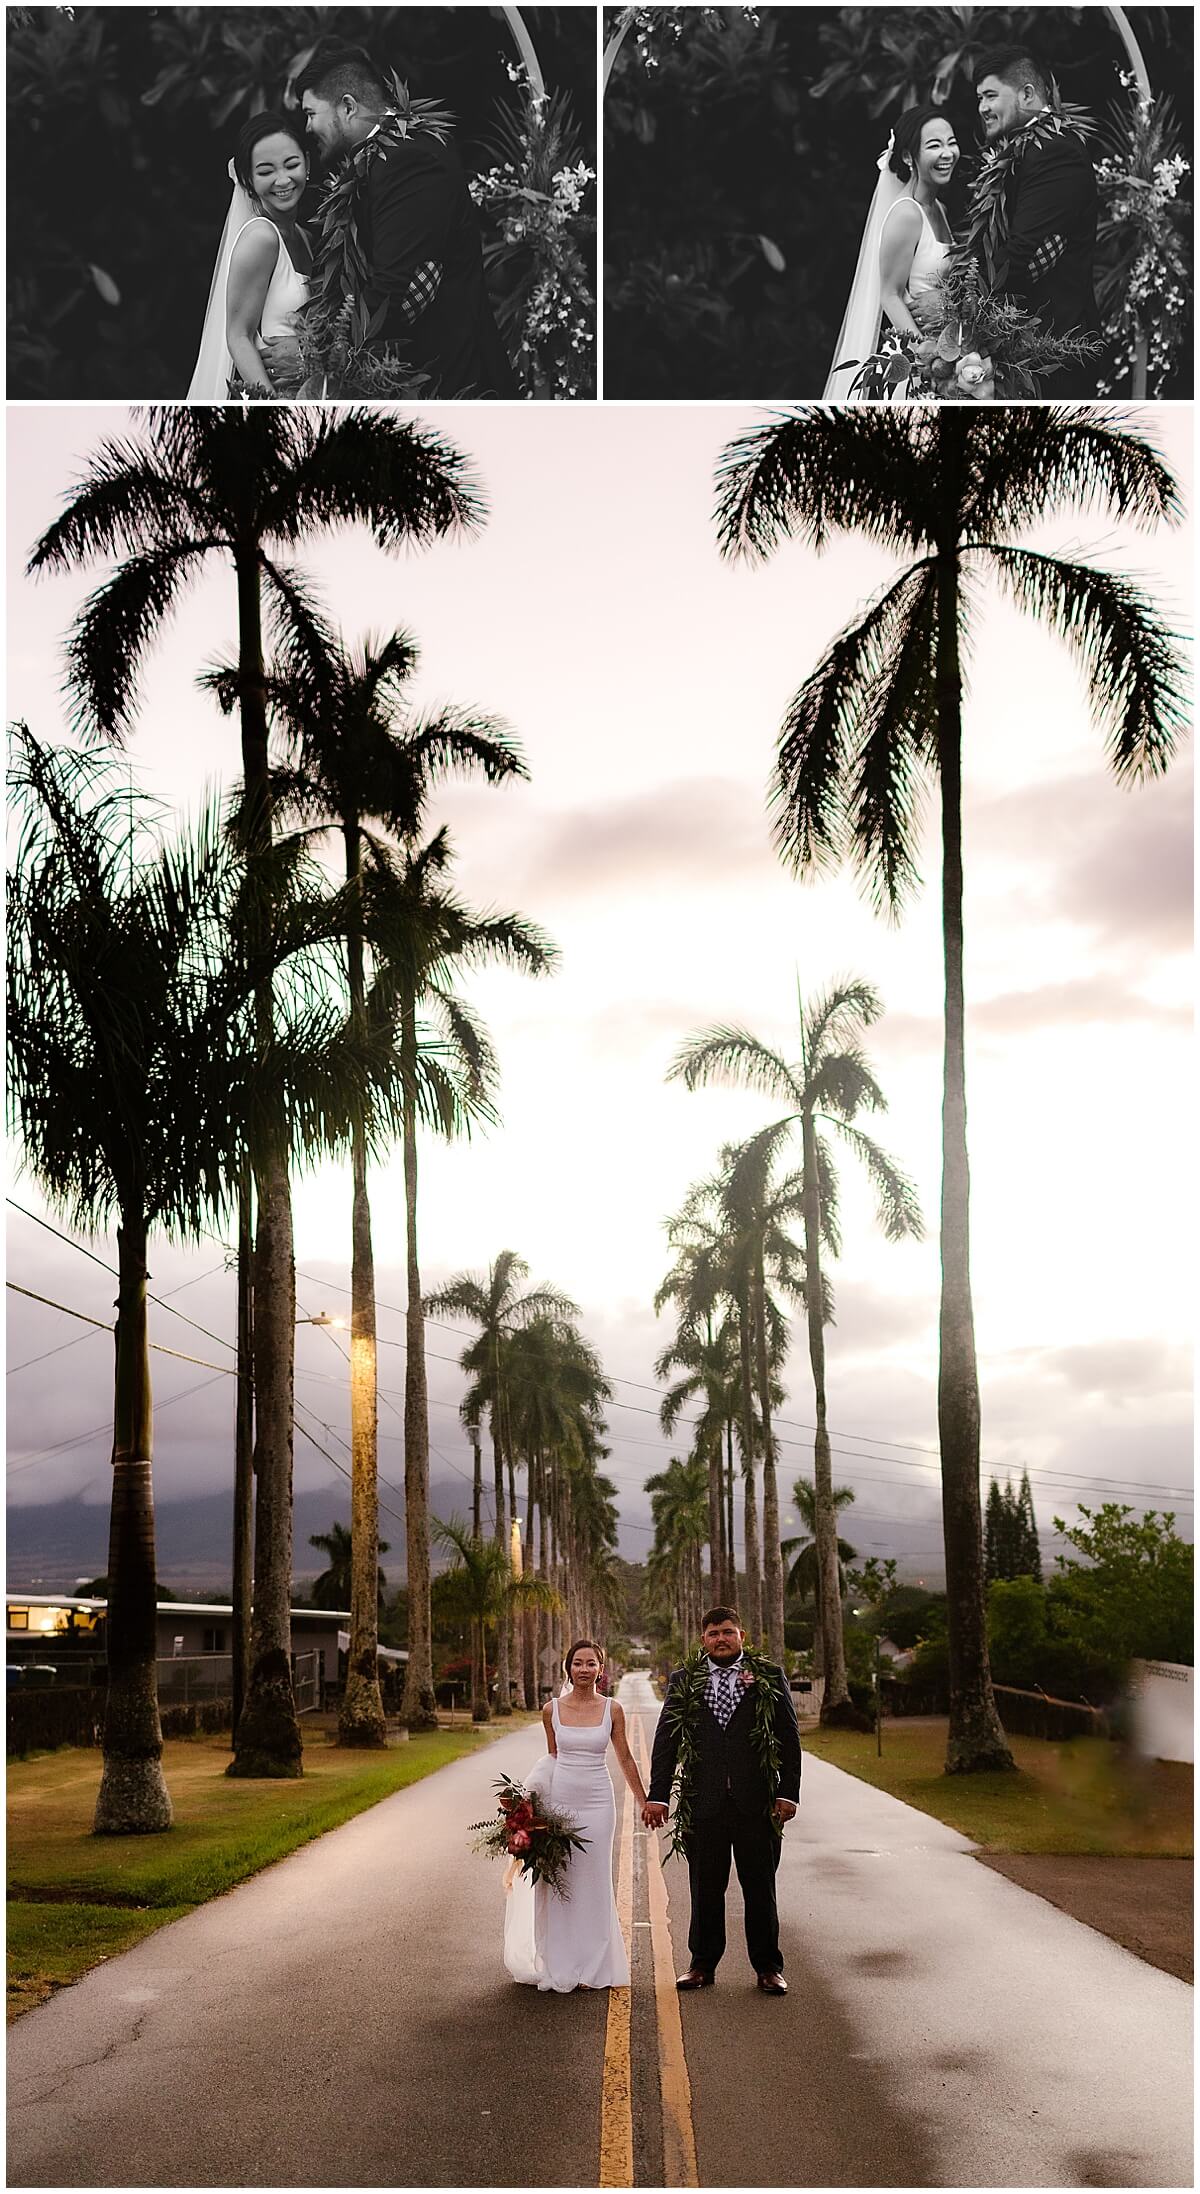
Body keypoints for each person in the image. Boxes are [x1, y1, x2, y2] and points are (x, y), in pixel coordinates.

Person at [261, 42, 516, 399]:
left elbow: (396, 288)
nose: (306, 127)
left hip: (449, 384)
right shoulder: (382, 162)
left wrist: (311, 353)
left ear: (347, 107)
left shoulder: (411, 161)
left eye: (310, 113)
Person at [643, 1606, 801, 1995]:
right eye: (713, 1633)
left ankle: (767, 1968)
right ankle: (701, 1966)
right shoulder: (685, 1679)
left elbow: (788, 1737)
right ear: (703, 1640)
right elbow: (667, 1742)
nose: (721, 1639)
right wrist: (659, 1796)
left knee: (760, 1887)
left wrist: (787, 1793)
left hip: (756, 1803)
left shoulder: (767, 1676)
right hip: (704, 1802)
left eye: (728, 1632)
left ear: (741, 1636)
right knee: (705, 1887)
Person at [503, 1640, 646, 1993]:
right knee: (559, 1882)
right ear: (568, 1668)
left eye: (591, 1663)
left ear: (601, 1668)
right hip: (561, 1803)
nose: (584, 1669)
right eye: (578, 1663)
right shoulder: (551, 1710)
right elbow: (552, 1758)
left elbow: (625, 1758)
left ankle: (594, 1965)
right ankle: (560, 1961)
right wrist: (529, 1805)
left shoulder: (612, 1710)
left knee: (594, 1882)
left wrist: (644, 1800)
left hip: (599, 1803)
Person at [972, 45, 1100, 395]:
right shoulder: (1025, 150)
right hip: (1025, 352)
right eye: (979, 98)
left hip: (1053, 353)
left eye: (991, 95)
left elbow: (1024, 253)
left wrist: (959, 299)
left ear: (1027, 93)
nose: (982, 107)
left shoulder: (1055, 151)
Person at [824, 105, 960, 399]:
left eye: (951, 142)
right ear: (909, 156)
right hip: (919, 362)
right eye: (934, 146)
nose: (947, 153)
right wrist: (925, 354)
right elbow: (889, 294)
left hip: (949, 352)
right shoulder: (906, 215)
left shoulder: (939, 209)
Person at [188, 112, 312, 401]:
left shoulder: (307, 239)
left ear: (307, 164)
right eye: (266, 171)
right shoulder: (261, 237)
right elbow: (238, 337)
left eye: (291, 165)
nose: (283, 180)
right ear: (248, 179)